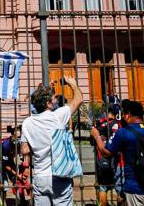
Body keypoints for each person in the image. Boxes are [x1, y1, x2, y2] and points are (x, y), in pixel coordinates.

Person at [20, 75, 83, 206]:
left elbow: (24, 149)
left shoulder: (27, 123)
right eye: (53, 98)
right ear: (48, 103)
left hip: (40, 176)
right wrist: (73, 85)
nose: (55, 100)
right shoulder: (57, 116)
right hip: (58, 174)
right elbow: (78, 100)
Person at [91, 100, 144, 206]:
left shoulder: (123, 132)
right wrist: (141, 115)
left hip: (136, 187)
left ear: (128, 115)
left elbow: (106, 152)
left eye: (123, 114)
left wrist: (97, 136)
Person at [91, 104, 124, 206]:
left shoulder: (99, 124)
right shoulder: (119, 124)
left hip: (102, 159)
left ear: (106, 112)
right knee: (120, 189)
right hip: (117, 159)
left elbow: (92, 142)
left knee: (103, 187)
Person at [0, 126, 25, 206]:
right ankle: (2, 202)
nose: (19, 139)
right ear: (12, 136)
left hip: (9, 158)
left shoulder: (20, 143)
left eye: (20, 137)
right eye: (17, 137)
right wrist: (17, 174)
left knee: (16, 181)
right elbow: (6, 165)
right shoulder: (5, 145)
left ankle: (21, 201)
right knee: (5, 184)